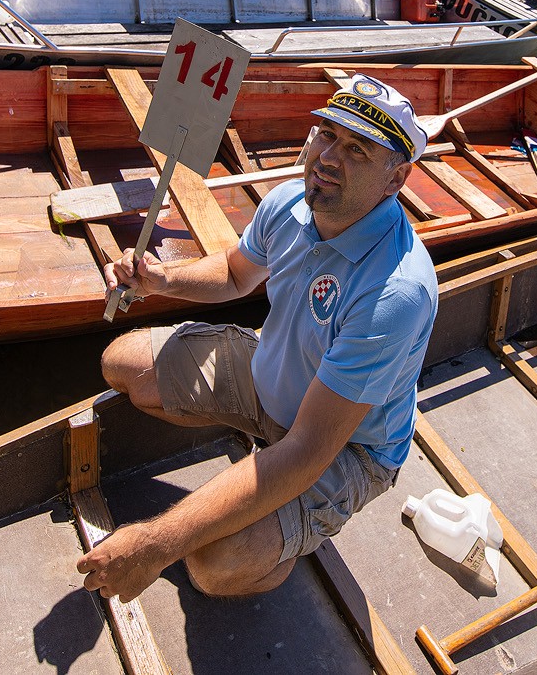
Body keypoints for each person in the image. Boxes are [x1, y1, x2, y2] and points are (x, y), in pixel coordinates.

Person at [78, 74, 439, 604]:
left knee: (213, 564)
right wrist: (161, 280)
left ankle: (284, 544)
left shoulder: (395, 291)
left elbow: (307, 449)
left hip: (345, 446)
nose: (328, 158)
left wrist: (156, 544)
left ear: (395, 180)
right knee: (124, 365)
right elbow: (234, 274)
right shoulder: (293, 203)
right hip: (271, 373)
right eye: (326, 134)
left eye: (358, 150)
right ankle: (254, 472)